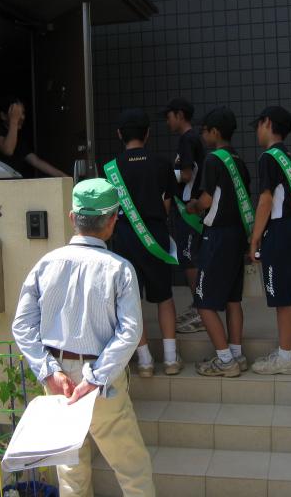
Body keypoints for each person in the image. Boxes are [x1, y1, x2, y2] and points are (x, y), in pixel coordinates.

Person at [11, 178, 155, 497]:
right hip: (103, 380)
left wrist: (49, 371)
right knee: (132, 469)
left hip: (58, 379)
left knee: (71, 473)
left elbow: (22, 325)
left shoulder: (45, 264)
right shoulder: (120, 269)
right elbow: (129, 333)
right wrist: (94, 377)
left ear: (73, 217)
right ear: (113, 220)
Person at [105, 109, 183, 377]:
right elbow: (167, 204)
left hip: (126, 237)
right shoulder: (161, 163)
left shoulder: (112, 168)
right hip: (155, 235)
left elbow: (110, 209)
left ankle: (146, 361)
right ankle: (171, 359)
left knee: (132, 301)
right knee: (164, 297)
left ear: (119, 135)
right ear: (147, 134)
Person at [186, 107, 252, 377]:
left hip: (217, 237)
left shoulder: (213, 160)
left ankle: (225, 360)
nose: (202, 135)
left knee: (203, 302)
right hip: (237, 235)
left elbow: (206, 201)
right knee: (233, 300)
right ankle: (236, 354)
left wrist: (191, 206)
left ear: (214, 132)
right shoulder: (239, 161)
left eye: (204, 131)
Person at [248, 106, 291, 375]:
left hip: (280, 231)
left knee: (282, 297)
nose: (257, 132)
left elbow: (266, 200)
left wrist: (255, 237)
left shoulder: (268, 158)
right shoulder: (287, 157)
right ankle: (286, 352)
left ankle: (286, 356)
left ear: (267, 123)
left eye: (258, 125)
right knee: (286, 295)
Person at [164, 97, 206, 334]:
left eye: (169, 116)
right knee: (189, 257)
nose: (167, 121)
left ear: (179, 115)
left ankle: (201, 309)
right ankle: (199, 304)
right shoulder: (191, 139)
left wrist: (164, 174)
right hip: (188, 209)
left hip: (188, 210)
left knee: (190, 259)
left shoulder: (187, 139)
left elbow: (187, 174)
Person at [0, 99, 69, 178]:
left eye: (22, 113)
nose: (21, 117)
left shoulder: (20, 138)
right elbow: (8, 150)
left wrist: (64, 177)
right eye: (16, 114)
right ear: (3, 116)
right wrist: (14, 121)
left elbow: (36, 161)